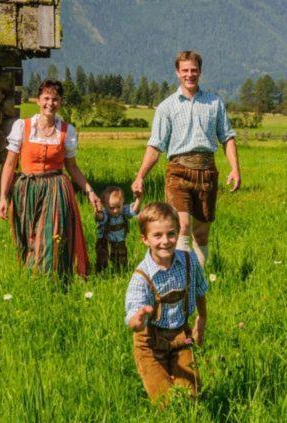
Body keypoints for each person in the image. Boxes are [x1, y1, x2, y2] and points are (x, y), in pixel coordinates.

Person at [131, 51, 241, 267]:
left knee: (201, 232)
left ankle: (198, 278)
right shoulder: (166, 107)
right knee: (181, 227)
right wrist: (140, 176)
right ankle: (181, 277)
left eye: (193, 70)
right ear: (177, 73)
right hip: (178, 171)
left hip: (207, 171)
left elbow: (227, 137)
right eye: (185, 70)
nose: (189, 74)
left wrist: (235, 169)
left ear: (200, 72)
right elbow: (155, 145)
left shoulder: (214, 103)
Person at [0, 79, 101, 277]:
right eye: (46, 98)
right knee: (28, 235)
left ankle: (51, 278)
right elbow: (10, 164)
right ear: (38, 100)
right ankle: (30, 278)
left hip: (55, 188)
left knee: (51, 235)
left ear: (60, 102)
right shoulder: (23, 126)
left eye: (55, 99)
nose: (50, 103)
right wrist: (3, 196)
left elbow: (72, 167)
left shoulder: (66, 131)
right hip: (27, 188)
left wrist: (90, 191)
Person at [125, 202, 208, 403]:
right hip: (150, 345)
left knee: (191, 397)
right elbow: (133, 320)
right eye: (157, 235)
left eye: (171, 234)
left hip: (181, 338)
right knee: (166, 402)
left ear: (179, 232)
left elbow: (199, 290)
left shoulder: (189, 261)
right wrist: (140, 318)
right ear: (145, 239)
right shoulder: (141, 277)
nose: (166, 241)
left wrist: (202, 319)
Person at [94, 186, 142, 272]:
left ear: (123, 202)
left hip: (119, 241)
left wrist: (138, 199)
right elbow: (100, 218)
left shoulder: (123, 211)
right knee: (103, 259)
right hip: (106, 242)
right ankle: (102, 272)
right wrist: (98, 212)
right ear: (105, 205)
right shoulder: (105, 213)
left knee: (121, 259)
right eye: (111, 208)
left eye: (118, 206)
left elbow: (133, 211)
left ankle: (120, 272)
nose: (115, 210)